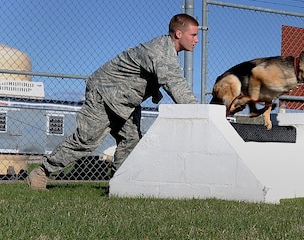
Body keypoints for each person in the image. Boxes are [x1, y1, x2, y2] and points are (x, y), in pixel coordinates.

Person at [27, 13, 200, 190]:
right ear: (179, 34)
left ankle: (120, 185)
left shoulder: (166, 50)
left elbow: (148, 72)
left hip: (124, 101)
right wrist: (201, 112)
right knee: (86, 140)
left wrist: (154, 90)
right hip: (104, 93)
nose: (197, 40)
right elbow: (175, 84)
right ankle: (41, 172)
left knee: (131, 140)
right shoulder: (160, 50)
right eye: (193, 35)